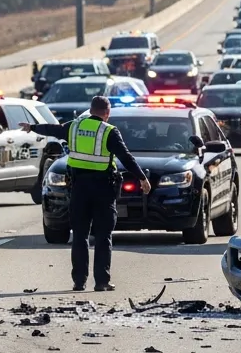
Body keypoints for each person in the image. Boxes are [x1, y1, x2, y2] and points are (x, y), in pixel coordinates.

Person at [20, 95, 150, 292]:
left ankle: (79, 281)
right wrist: (142, 178)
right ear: (107, 113)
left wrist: (32, 127)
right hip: (103, 189)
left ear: (90, 110)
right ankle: (101, 281)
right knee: (103, 235)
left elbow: (53, 130)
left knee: (80, 236)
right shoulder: (109, 131)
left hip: (79, 188)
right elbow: (126, 157)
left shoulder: (75, 126)